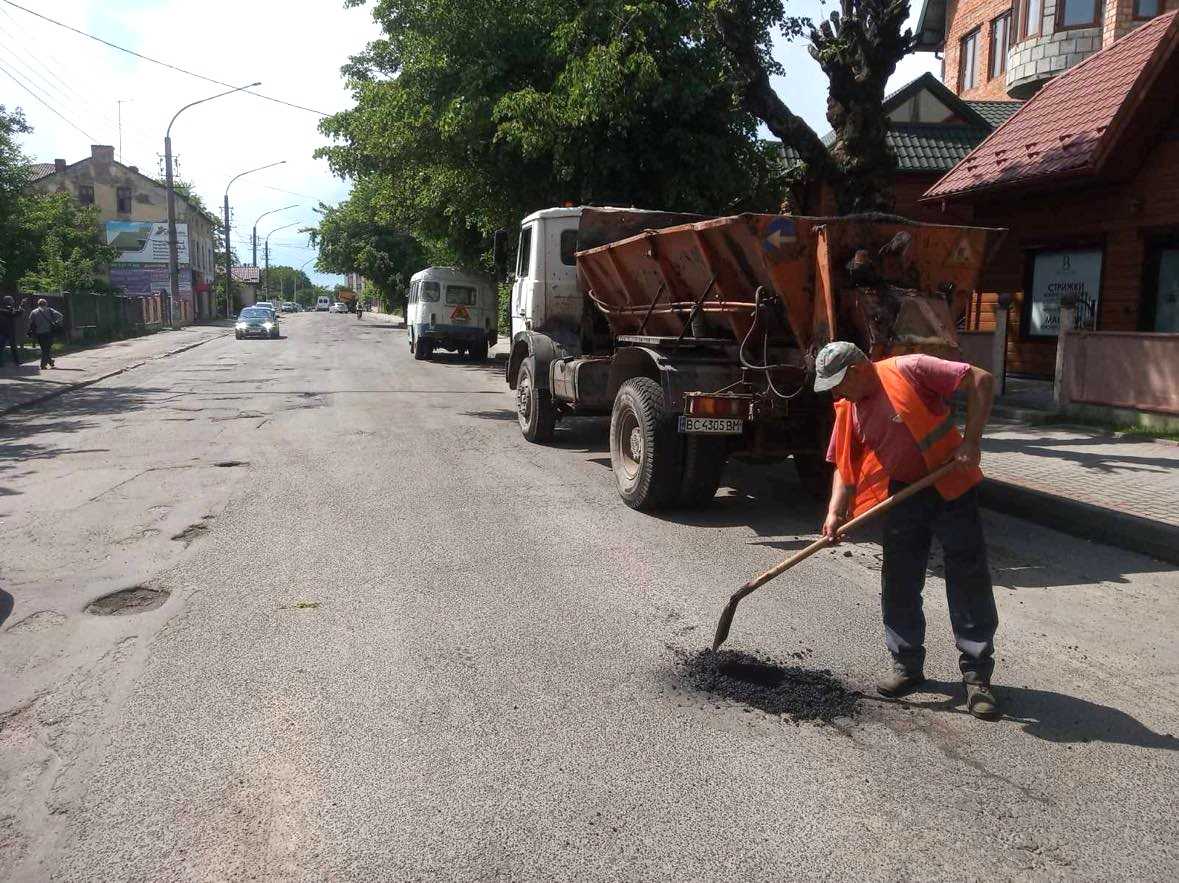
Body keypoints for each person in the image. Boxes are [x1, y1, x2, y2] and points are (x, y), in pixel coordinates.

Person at [815, 341, 1000, 720]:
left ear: (856, 370)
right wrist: (834, 512)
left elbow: (982, 380)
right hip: (904, 492)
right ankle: (907, 665)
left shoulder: (910, 368)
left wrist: (972, 441)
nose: (836, 392)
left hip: (951, 482)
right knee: (898, 577)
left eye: (838, 383)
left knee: (967, 575)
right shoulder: (849, 409)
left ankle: (977, 675)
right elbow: (844, 466)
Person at [27, 298, 64, 369]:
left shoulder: (33, 312)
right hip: (48, 332)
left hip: (38, 333)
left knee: (44, 349)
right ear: (46, 304)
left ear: (38, 304)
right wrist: (56, 322)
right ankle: (43, 365)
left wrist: (31, 331)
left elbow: (30, 322)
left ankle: (50, 362)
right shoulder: (50, 310)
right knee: (46, 349)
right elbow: (61, 316)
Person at [0, 295, 22, 367]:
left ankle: (17, 361)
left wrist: (21, 306)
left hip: (8, 332)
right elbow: (12, 313)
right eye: (12, 300)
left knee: (13, 347)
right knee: (2, 348)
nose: (13, 301)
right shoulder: (3, 309)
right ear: (8, 301)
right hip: (3, 332)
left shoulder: (9, 309)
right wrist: (15, 310)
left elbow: (16, 313)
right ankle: (2, 363)